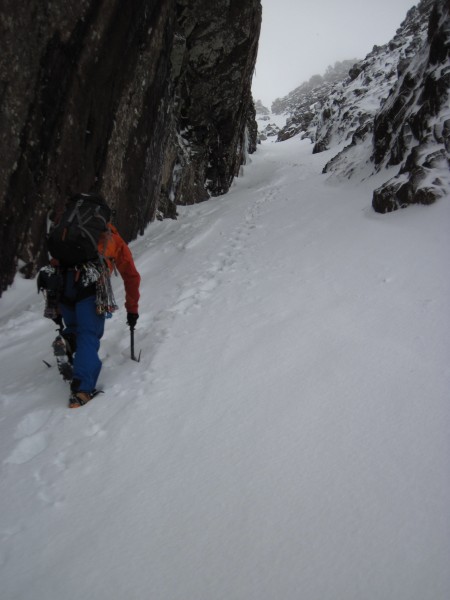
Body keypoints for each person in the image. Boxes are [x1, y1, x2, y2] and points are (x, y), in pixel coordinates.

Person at [43, 193, 140, 408]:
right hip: (90, 287)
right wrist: (132, 309)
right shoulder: (109, 236)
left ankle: (67, 341)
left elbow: (55, 259)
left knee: (76, 327)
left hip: (63, 283)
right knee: (89, 334)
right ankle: (82, 390)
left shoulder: (68, 229)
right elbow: (131, 276)